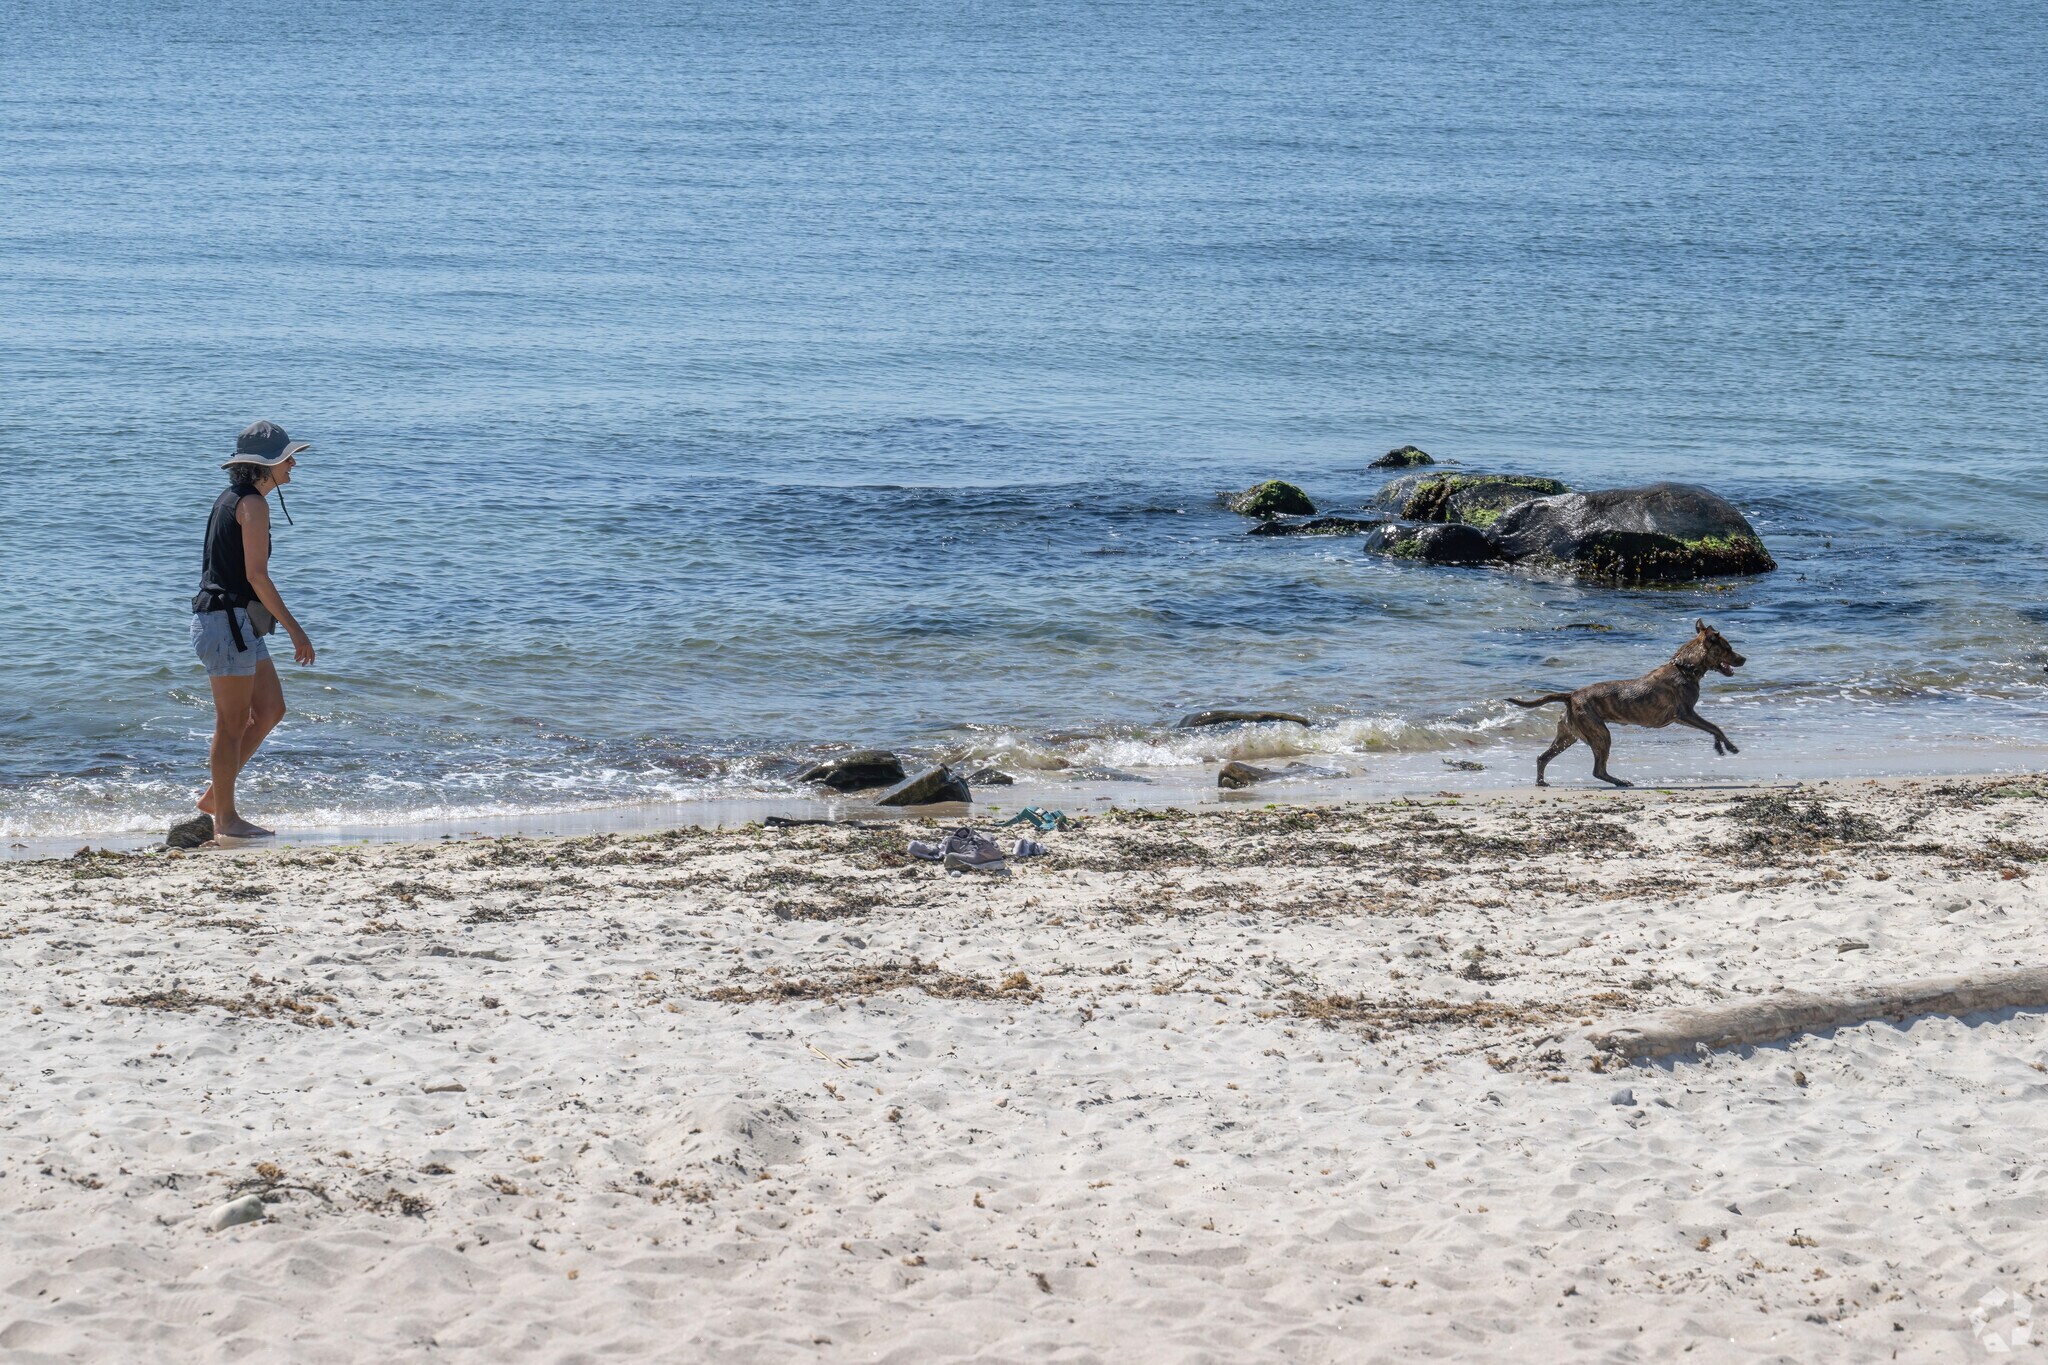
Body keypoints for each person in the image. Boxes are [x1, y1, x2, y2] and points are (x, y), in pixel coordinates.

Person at [189, 420, 317, 838]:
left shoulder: (234, 497)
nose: (294, 463)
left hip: (232, 623)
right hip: (225, 623)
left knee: (271, 709)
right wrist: (296, 631)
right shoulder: (253, 504)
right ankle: (225, 818)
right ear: (268, 465)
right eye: (288, 457)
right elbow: (257, 576)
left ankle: (215, 796)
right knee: (231, 723)